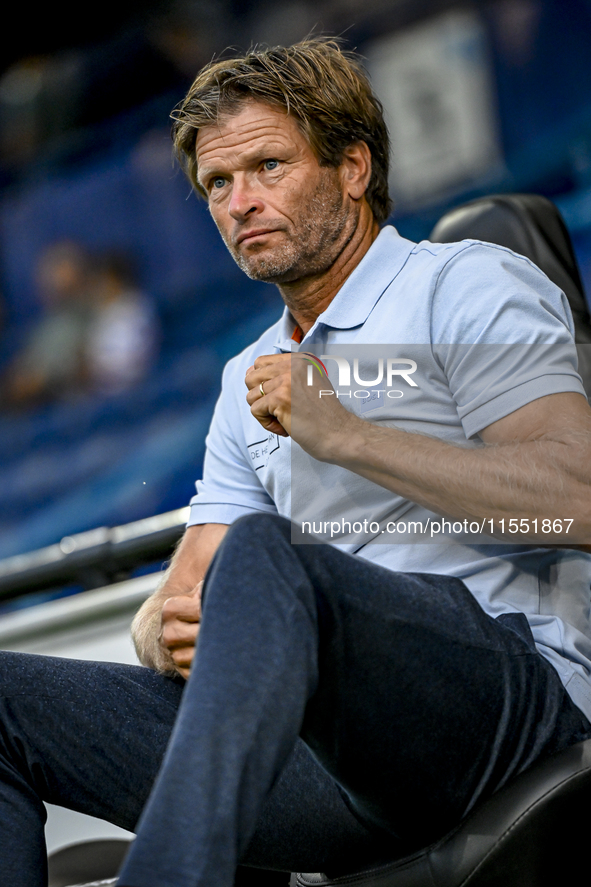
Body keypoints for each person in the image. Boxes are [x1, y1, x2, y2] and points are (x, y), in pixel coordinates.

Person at [0, 39, 590, 887]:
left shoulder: (464, 286)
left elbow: (574, 500)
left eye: (268, 166)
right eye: (217, 184)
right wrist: (160, 634)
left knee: (269, 554)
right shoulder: (245, 374)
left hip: (499, 701)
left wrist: (347, 433)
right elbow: (180, 594)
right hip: (329, 755)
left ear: (352, 167)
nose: (240, 202)